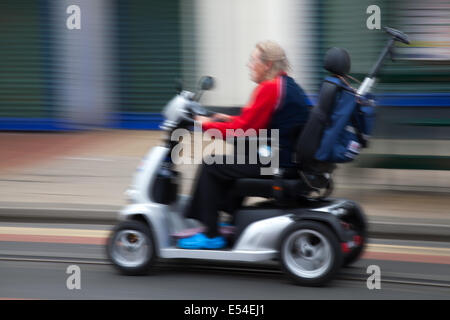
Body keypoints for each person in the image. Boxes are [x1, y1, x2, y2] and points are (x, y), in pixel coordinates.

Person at [178, 41, 311, 249]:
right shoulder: (286, 84)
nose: (248, 64)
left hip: (277, 162)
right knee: (239, 154)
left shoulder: (269, 88)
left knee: (212, 164)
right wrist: (226, 119)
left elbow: (244, 130)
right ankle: (227, 220)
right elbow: (253, 123)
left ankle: (211, 234)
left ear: (267, 65)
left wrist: (206, 126)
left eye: (252, 60)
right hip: (283, 156)